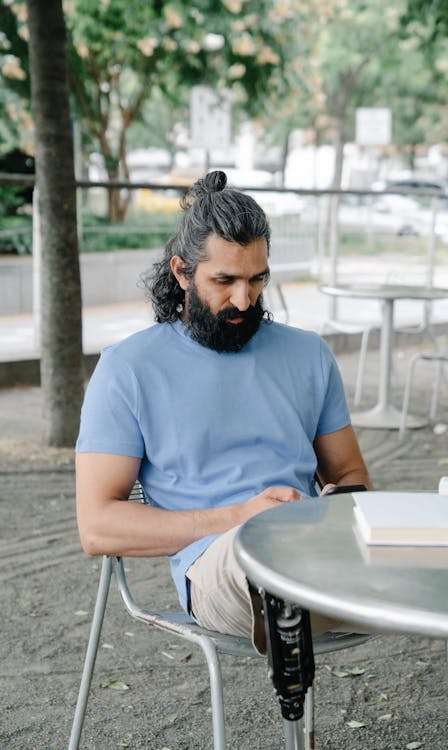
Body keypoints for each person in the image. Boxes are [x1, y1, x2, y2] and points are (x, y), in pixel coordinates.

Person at [75, 170, 372, 653]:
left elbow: (349, 470)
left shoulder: (308, 354)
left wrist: (345, 503)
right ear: (181, 272)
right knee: (270, 564)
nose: (244, 299)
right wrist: (241, 517)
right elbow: (97, 526)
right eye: (225, 280)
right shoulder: (127, 368)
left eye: (257, 280)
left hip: (317, 547)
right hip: (219, 568)